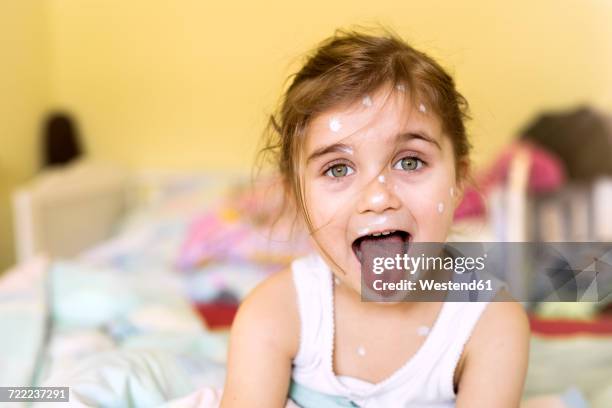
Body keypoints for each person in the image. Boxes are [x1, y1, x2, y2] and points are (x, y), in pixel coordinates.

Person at [221, 28, 530, 408]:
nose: (378, 197)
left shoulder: (489, 323)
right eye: (338, 169)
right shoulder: (275, 315)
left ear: (458, 180)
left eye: (410, 161)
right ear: (297, 198)